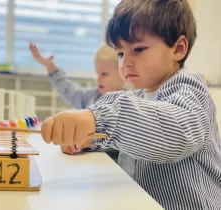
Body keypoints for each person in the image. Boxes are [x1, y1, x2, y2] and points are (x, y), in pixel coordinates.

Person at [39, 0, 221, 209]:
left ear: (178, 49)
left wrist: (100, 119)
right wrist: (90, 140)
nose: (125, 63)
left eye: (139, 49)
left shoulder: (190, 91)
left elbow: (173, 135)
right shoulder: (142, 97)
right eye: (120, 53)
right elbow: (132, 146)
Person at [29, 42, 126, 161]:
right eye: (97, 73)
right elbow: (69, 90)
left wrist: (88, 141)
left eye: (104, 74)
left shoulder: (130, 106)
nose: (99, 79)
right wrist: (51, 68)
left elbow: (121, 142)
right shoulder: (91, 96)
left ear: (124, 72)